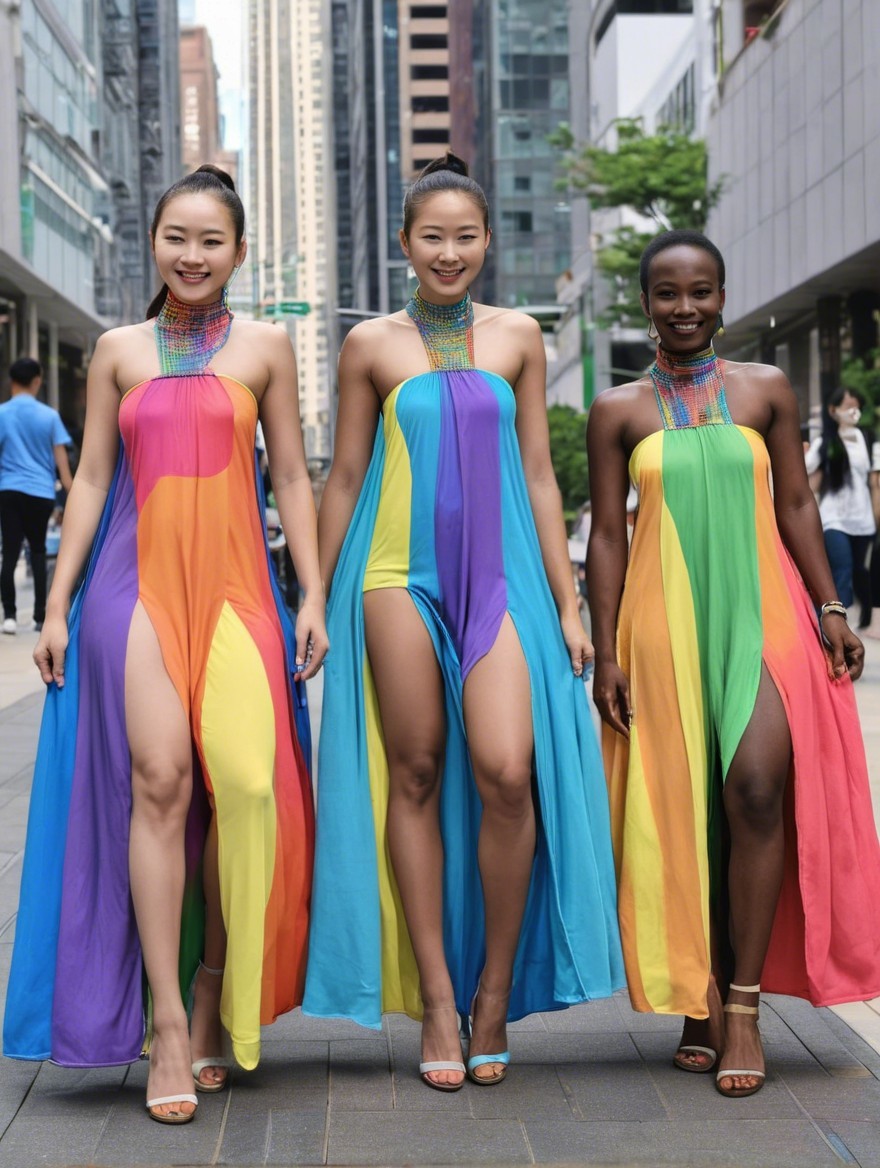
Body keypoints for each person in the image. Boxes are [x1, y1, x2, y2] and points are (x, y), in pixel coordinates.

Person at [3, 165, 327, 1125]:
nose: (191, 256)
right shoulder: (116, 350)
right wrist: (56, 603)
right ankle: (172, 1025)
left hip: (237, 591)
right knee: (158, 782)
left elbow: (294, 482)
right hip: (128, 591)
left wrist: (310, 591)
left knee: (250, 785)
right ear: (154, 242)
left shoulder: (267, 347)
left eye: (211, 241)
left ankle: (217, 978)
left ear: (237, 251)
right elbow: (93, 481)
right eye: (176, 238)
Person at [303, 153, 624, 1092]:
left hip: (504, 582)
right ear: (405, 244)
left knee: (506, 771)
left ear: (488, 241)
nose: (450, 252)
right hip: (396, 575)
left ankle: (494, 991)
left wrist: (567, 604)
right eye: (431, 237)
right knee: (413, 769)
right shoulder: (370, 344)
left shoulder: (520, 335)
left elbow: (536, 474)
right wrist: (316, 597)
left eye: (466, 236)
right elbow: (347, 477)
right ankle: (439, 1001)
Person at [587, 229, 880, 1099]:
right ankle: (696, 993)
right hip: (661, 620)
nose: (686, 308)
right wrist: (605, 651)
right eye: (668, 294)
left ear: (722, 296)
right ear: (645, 304)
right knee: (683, 811)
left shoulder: (767, 390)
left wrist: (831, 605)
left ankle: (743, 1008)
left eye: (702, 291)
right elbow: (608, 535)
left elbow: (794, 500)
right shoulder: (618, 412)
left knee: (754, 788)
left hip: (767, 612)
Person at [0, 357, 73, 634]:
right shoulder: (49, 416)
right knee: (39, 550)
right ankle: (40, 617)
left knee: (10, 551)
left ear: (11, 381)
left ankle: (8, 615)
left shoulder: (2, 413)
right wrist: (74, 497)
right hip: (41, 492)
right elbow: (63, 469)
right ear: (37, 381)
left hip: (8, 490)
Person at [804, 388, 877, 625]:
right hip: (833, 517)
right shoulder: (825, 442)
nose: (853, 411)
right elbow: (804, 468)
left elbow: (873, 482)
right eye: (848, 406)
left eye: (857, 407)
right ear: (833, 411)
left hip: (862, 518)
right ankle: (837, 625)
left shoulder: (867, 439)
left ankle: (864, 616)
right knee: (842, 569)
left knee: (858, 570)